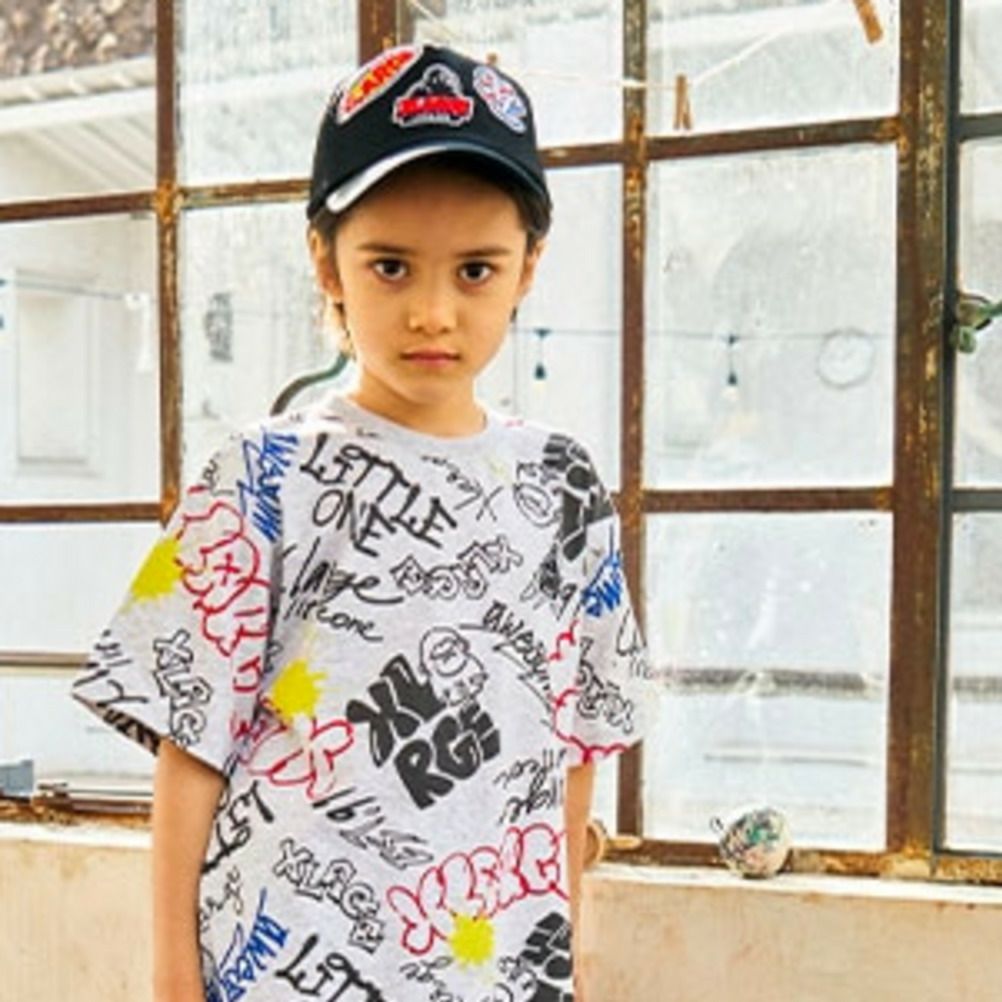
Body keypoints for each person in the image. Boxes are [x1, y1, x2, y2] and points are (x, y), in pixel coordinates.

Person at [73, 43, 654, 1002]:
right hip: (276, 973)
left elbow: (576, 749)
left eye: (476, 270)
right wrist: (174, 981)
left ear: (528, 269)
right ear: (326, 261)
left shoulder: (564, 487)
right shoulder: (256, 477)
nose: (432, 312)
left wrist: (565, 961)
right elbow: (190, 750)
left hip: (494, 976)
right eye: (391, 266)